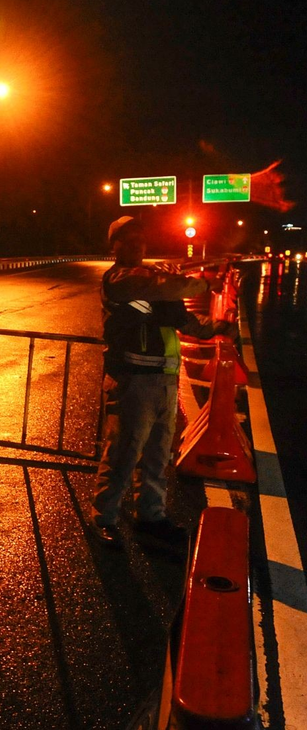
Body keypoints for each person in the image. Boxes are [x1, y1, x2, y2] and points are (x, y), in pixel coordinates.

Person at [90, 215, 231, 549]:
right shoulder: (120, 279)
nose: (137, 244)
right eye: (128, 239)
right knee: (123, 453)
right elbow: (166, 288)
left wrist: (216, 327)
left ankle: (151, 516)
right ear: (114, 246)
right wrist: (202, 281)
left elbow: (181, 318)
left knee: (156, 457)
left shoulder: (154, 278)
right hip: (133, 381)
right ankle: (103, 518)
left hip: (165, 380)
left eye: (140, 238)